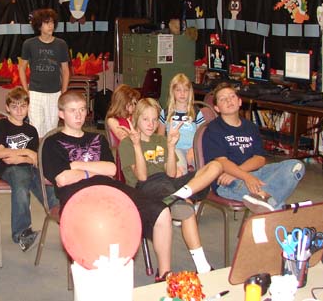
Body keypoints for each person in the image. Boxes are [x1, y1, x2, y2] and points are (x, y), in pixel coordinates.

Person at [42, 90, 174, 282]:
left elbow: (111, 169)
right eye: (72, 111)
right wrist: (95, 170)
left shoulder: (98, 139)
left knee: (162, 212)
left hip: (111, 190)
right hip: (78, 196)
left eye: (82, 110)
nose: (79, 115)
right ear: (61, 114)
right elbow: (62, 178)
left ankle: (164, 274)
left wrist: (77, 165)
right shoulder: (52, 143)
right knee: (104, 221)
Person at [119, 98, 222, 273]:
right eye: (146, 119)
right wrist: (137, 146)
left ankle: (181, 194)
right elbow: (142, 177)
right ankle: (203, 266)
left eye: (154, 119)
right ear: (136, 119)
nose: (151, 124)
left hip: (168, 183)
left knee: (215, 166)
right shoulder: (127, 143)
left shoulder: (160, 140)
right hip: (145, 187)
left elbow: (171, 173)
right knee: (186, 206)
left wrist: (171, 147)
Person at [202, 82, 305, 213]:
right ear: (217, 108)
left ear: (239, 102)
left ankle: (265, 197)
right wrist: (245, 177)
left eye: (232, 96)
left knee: (296, 166)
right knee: (270, 199)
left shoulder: (250, 127)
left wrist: (246, 175)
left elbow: (260, 159)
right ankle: (268, 199)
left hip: (251, 174)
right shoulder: (214, 129)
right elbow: (222, 162)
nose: (229, 100)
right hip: (227, 182)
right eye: (223, 99)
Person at [0, 87, 58, 252]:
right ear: (7, 108)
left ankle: (65, 218)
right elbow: (1, 153)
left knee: (48, 186)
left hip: (27, 167)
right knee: (21, 182)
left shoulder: (31, 130)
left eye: (23, 106)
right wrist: (27, 153)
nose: (19, 110)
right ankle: (22, 233)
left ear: (28, 107)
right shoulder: (1, 125)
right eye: (14, 106)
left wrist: (21, 157)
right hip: (8, 168)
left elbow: (35, 158)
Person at [18, 8, 70, 138]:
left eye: (52, 22)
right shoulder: (29, 44)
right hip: (35, 92)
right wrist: (26, 90)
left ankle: (48, 151)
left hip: (55, 93)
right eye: (47, 22)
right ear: (39, 25)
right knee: (36, 128)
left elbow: (65, 70)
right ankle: (37, 151)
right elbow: (21, 68)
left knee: (52, 130)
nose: (50, 25)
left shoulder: (61, 44)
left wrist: (63, 92)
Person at [157, 73, 205, 175]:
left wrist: (193, 149)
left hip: (193, 148)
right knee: (180, 171)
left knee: (202, 170)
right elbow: (160, 136)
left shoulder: (196, 112)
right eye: (178, 90)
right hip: (175, 148)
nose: (182, 94)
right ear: (172, 92)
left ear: (190, 92)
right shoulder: (165, 113)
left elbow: (202, 136)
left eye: (185, 90)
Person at [105, 84, 141, 182]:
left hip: (137, 146)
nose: (135, 106)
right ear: (123, 103)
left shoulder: (134, 117)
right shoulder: (112, 120)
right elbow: (123, 137)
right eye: (132, 103)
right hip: (126, 151)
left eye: (135, 103)